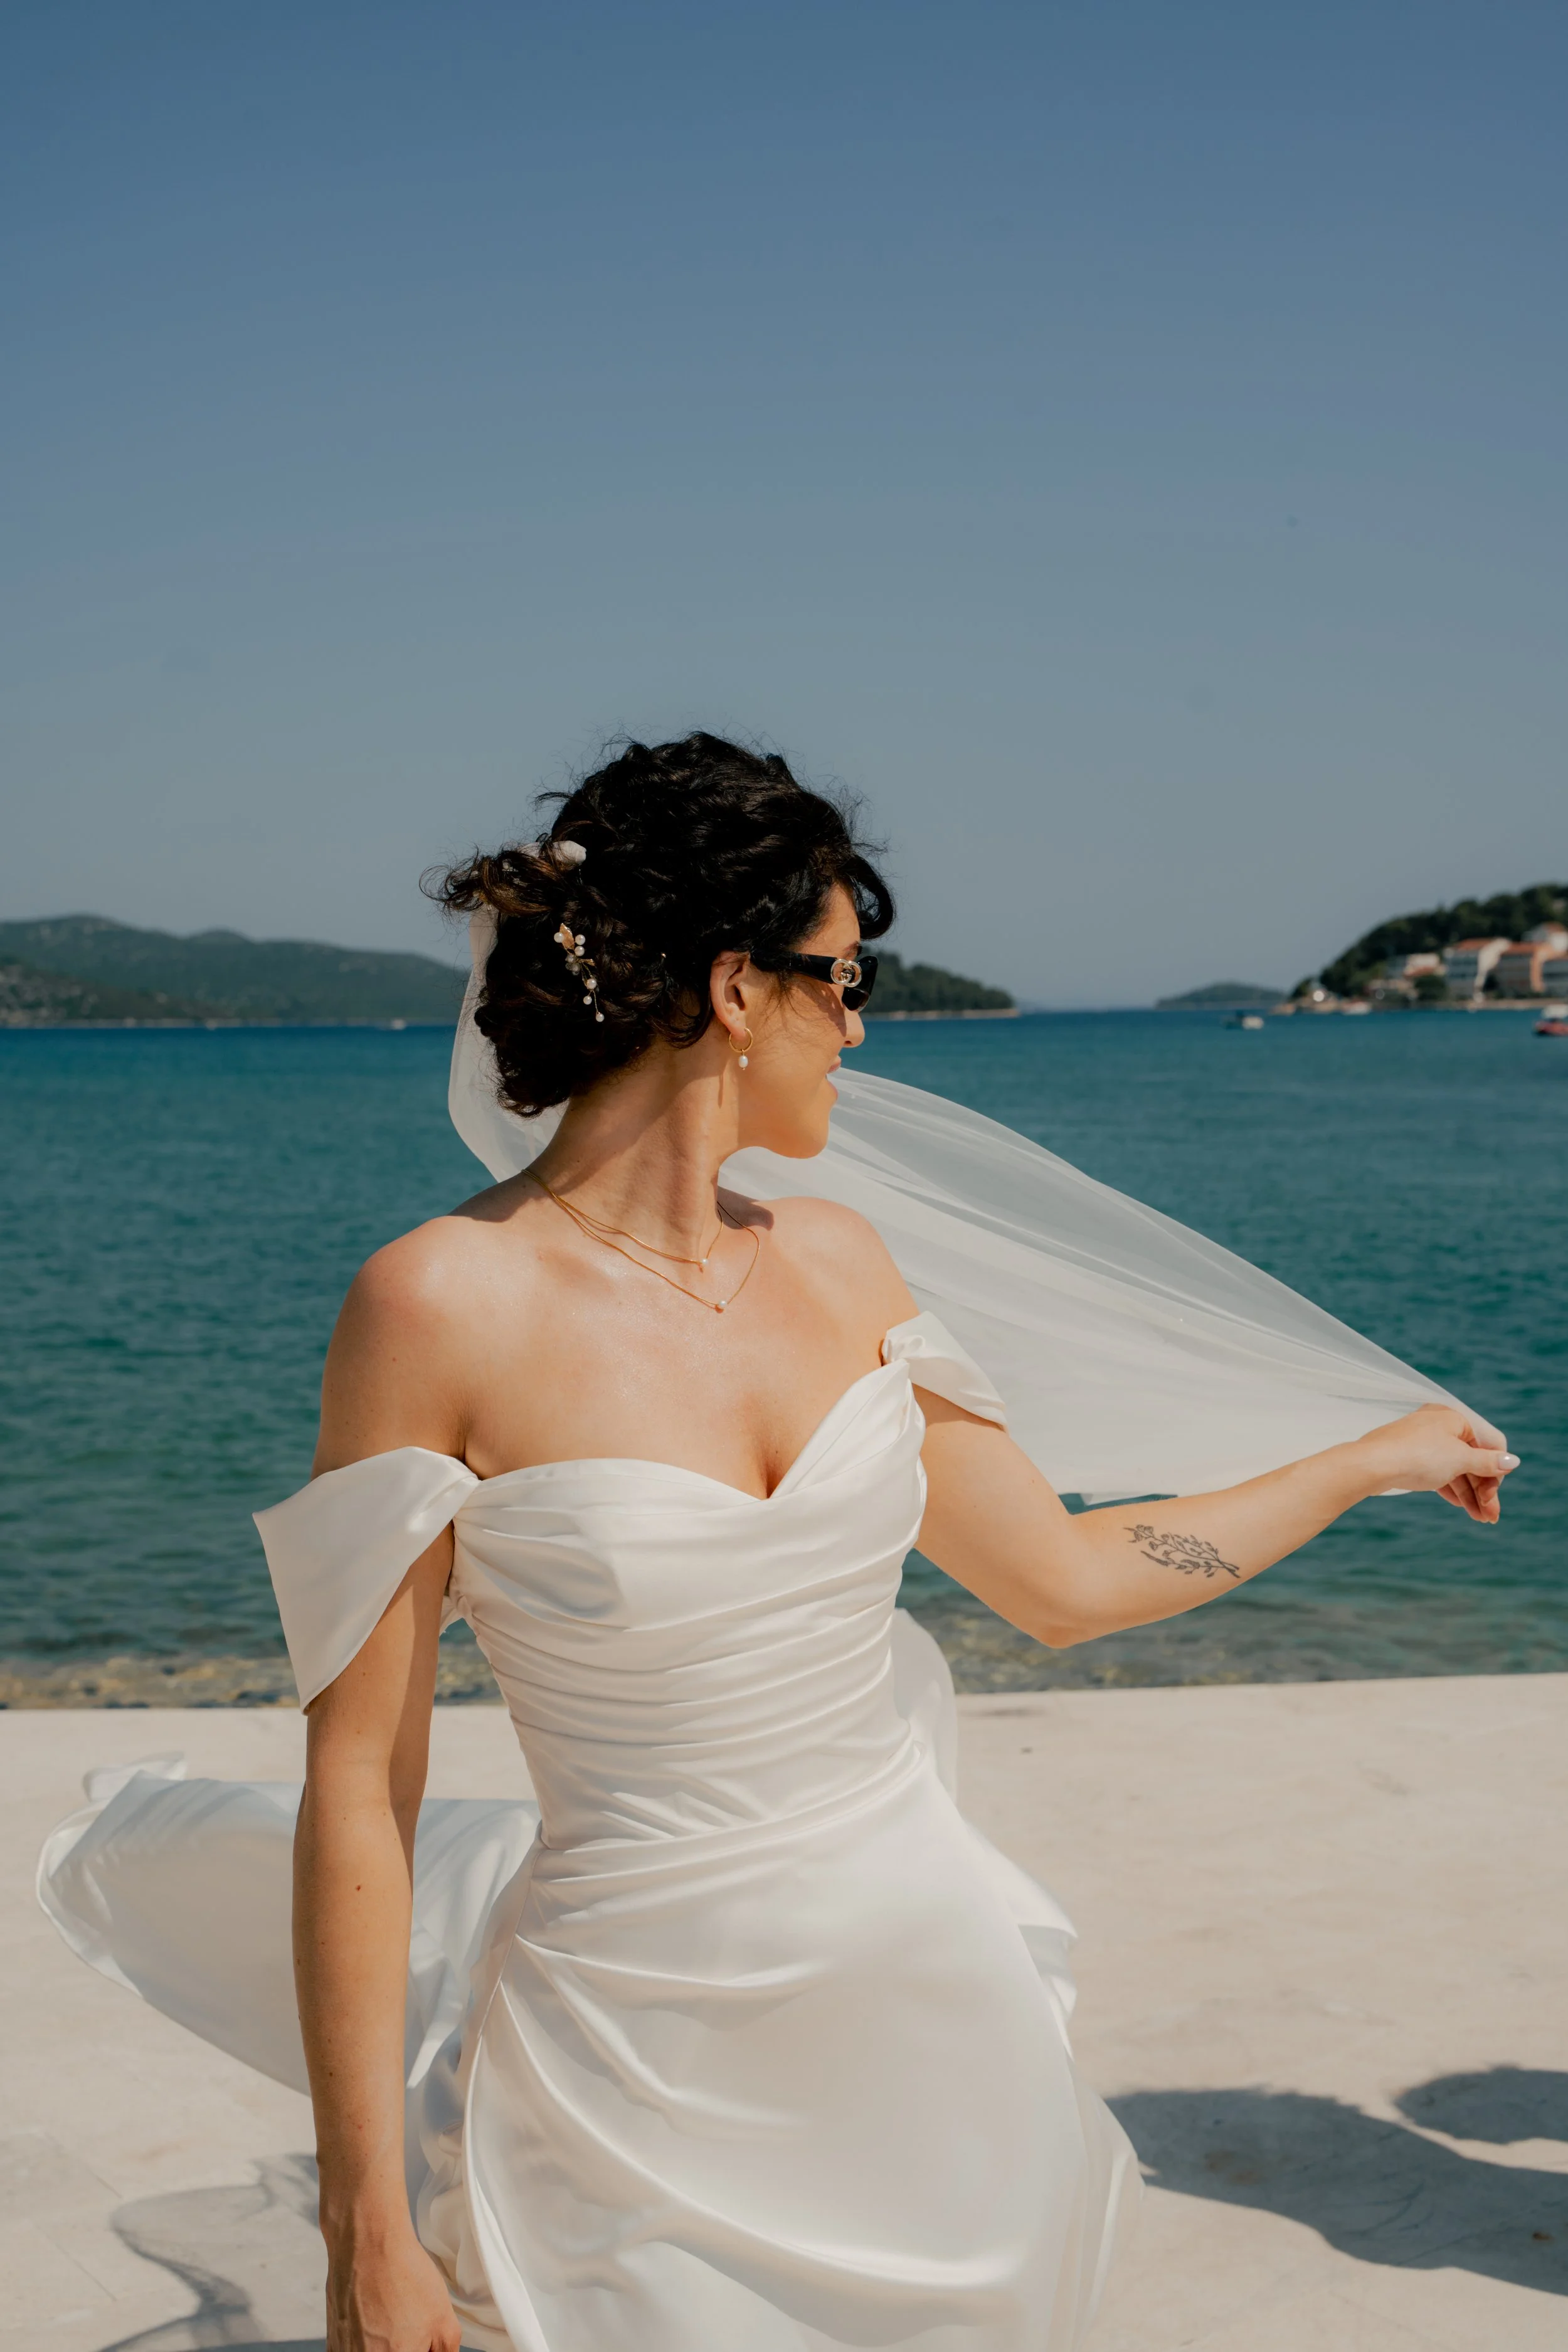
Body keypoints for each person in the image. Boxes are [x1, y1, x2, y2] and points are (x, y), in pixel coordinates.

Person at [41, 734, 1516, 2352]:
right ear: (736, 990)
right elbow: (363, 1793)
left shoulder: (845, 1264)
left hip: (932, 2049)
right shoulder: (436, 1305)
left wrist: (1359, 1464)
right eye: (843, 978)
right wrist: (366, 2233)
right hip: (629, 2073)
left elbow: (1071, 1580)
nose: (861, 1025)